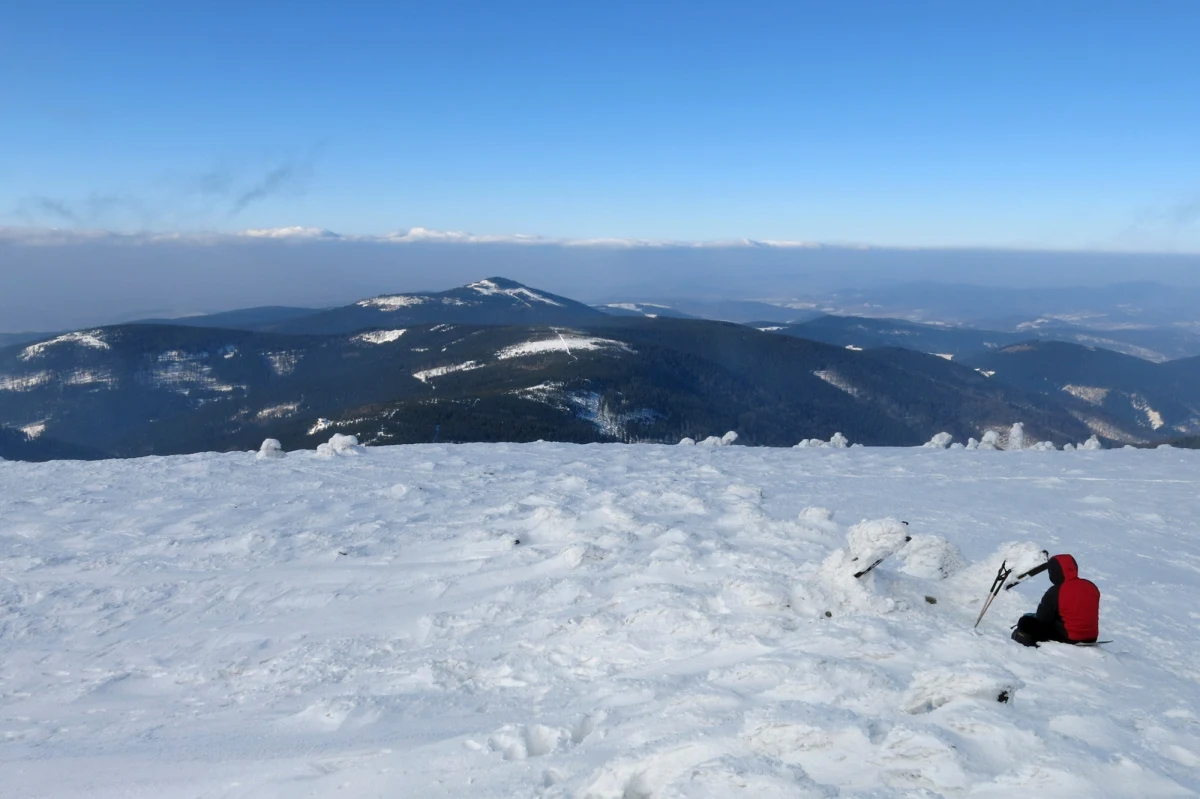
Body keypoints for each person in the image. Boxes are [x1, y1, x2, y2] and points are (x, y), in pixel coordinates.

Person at [1011, 554, 1100, 647]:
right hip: (1092, 637)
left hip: (1070, 637)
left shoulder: (1056, 590)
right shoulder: (1091, 586)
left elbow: (1043, 618)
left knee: (1025, 622)